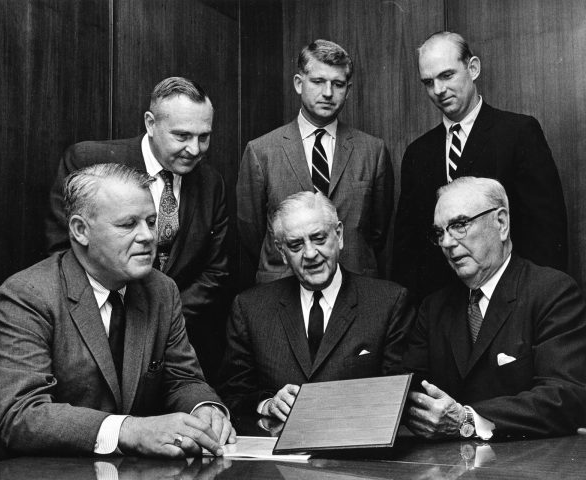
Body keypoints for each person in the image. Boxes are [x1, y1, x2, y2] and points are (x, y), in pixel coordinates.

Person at [0, 164, 235, 456]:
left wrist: (204, 408)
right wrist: (127, 430)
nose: (148, 236)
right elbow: (21, 414)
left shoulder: (161, 290)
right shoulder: (27, 295)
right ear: (80, 230)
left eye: (151, 222)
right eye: (128, 225)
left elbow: (182, 380)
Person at [45, 77, 228, 383]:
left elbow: (215, 272)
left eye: (204, 137)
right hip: (95, 341)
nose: (195, 149)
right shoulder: (89, 161)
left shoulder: (211, 183)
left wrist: (162, 321)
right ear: (151, 123)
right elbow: (64, 250)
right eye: (182, 136)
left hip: (177, 345)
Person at [403, 177, 586, 440]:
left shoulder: (552, 292)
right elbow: (409, 395)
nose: (446, 243)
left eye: (459, 225)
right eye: (439, 233)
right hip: (445, 461)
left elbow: (565, 396)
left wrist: (468, 420)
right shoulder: (433, 308)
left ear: (501, 223)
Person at [393, 31, 567, 300]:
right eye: (428, 82)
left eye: (447, 75)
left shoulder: (518, 133)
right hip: (440, 309)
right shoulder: (417, 153)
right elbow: (408, 249)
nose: (438, 90)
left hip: (511, 301)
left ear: (473, 68)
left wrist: (538, 304)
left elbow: (547, 233)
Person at [219, 192, 414, 421]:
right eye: (295, 245)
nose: (310, 253)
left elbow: (398, 396)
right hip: (281, 443)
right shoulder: (250, 309)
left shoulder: (388, 303)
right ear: (282, 252)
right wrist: (267, 405)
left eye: (319, 238)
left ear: (339, 235)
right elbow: (232, 396)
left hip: (355, 441)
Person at [238, 39, 393, 284]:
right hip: (282, 286)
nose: (328, 93)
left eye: (338, 84)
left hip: (355, 285)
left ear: (348, 90)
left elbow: (378, 232)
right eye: (318, 81)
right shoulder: (261, 151)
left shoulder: (373, 151)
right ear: (299, 84)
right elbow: (251, 233)